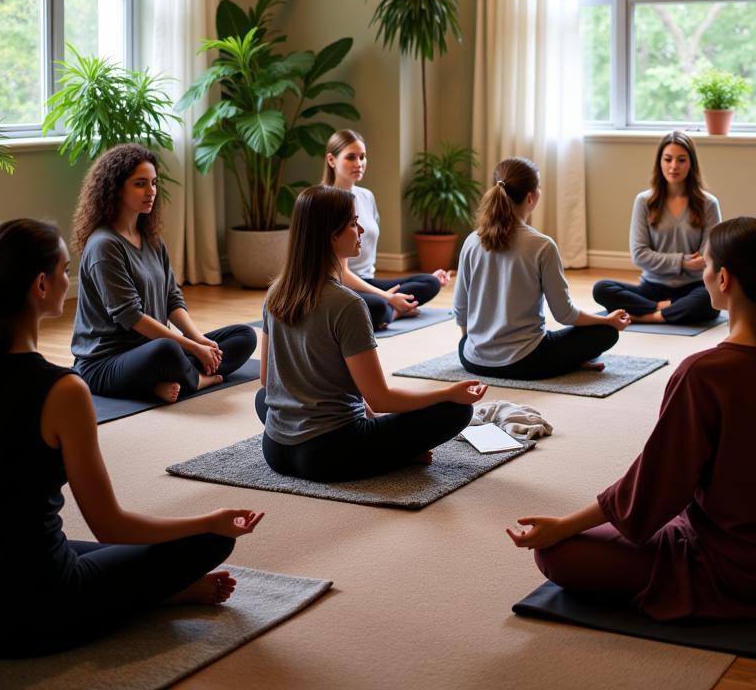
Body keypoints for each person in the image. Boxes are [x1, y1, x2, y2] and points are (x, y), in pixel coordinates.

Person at [0, 219, 263, 658]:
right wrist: (208, 520)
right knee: (212, 541)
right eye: (66, 271)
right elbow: (110, 525)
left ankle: (154, 590)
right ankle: (152, 594)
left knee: (60, 549)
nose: (70, 280)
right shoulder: (63, 390)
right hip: (33, 614)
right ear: (41, 286)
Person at [507, 217, 756, 620]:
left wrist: (563, 526)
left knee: (555, 554)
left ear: (723, 278)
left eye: (706, 267)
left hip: (735, 567)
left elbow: (654, 485)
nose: (704, 275)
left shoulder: (705, 372)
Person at [254, 184, 486, 481]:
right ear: (330, 234)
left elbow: (266, 380)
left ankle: (388, 450)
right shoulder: (347, 304)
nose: (361, 229)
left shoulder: (276, 292)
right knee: (457, 410)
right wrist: (447, 392)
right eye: (352, 223)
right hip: (329, 454)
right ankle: (396, 455)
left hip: (275, 449)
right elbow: (380, 400)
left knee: (265, 399)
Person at [69, 144, 256, 403]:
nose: (151, 191)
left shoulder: (152, 239)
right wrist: (191, 348)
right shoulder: (104, 245)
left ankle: (164, 381)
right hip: (104, 362)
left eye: (154, 183)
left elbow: (172, 298)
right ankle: (196, 380)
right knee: (168, 349)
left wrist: (199, 340)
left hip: (148, 351)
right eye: (140, 184)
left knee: (243, 336)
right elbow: (131, 316)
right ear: (115, 188)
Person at [454, 158, 629, 380]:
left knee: (597, 323)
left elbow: (460, 308)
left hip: (472, 360)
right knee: (605, 330)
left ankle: (571, 359)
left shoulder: (471, 241)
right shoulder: (542, 246)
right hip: (527, 363)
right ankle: (573, 360)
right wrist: (607, 321)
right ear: (531, 197)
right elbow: (565, 314)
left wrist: (473, 345)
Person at [323, 129, 448, 330]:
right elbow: (339, 273)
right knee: (378, 306)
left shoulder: (366, 196)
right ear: (331, 160)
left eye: (362, 157)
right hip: (339, 285)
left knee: (430, 282)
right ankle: (394, 312)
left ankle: (389, 311)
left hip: (367, 281)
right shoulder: (326, 201)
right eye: (351, 157)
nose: (359, 163)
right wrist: (387, 297)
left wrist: (384, 293)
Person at [592, 131, 721, 325]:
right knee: (601, 289)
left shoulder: (708, 203)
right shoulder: (644, 201)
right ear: (659, 162)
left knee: (709, 301)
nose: (673, 166)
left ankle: (647, 316)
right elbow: (639, 255)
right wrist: (683, 262)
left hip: (694, 287)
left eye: (681, 160)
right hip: (652, 287)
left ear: (691, 163)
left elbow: (707, 257)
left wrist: (693, 263)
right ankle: (664, 309)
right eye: (668, 159)